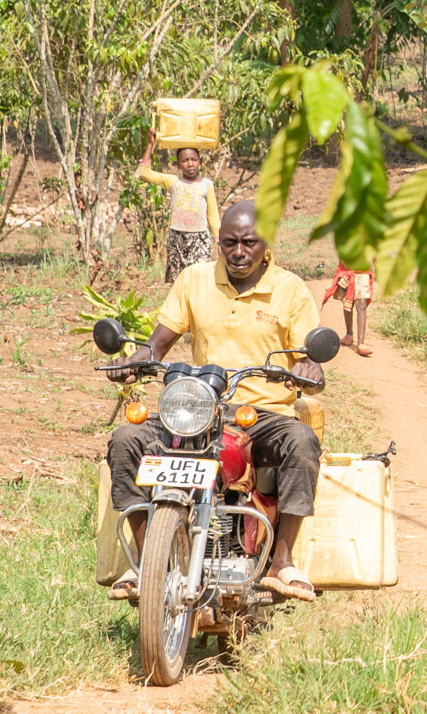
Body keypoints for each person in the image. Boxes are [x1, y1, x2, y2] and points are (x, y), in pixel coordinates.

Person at [104, 200, 323, 601]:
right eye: (229, 243)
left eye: (248, 243)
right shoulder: (194, 279)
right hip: (202, 408)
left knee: (302, 443)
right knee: (125, 442)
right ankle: (144, 562)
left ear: (266, 243)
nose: (238, 252)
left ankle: (282, 563)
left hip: (263, 414)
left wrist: (310, 369)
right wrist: (132, 361)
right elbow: (157, 343)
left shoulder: (290, 289)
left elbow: (309, 355)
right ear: (218, 242)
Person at [136, 130, 221, 282]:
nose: (190, 164)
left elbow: (212, 215)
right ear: (177, 164)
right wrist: (151, 144)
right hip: (177, 238)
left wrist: (219, 240)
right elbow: (145, 173)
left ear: (199, 161)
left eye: (194, 159)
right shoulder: (174, 182)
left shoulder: (207, 185)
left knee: (199, 279)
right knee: (179, 281)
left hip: (199, 238)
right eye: (185, 160)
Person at [322, 262, 373, 356]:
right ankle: (349, 334)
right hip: (347, 271)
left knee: (361, 305)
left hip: (363, 273)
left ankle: (361, 343)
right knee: (347, 304)